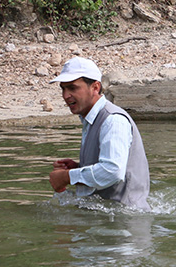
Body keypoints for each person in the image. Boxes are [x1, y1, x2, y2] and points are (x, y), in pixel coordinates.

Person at [48, 57, 151, 210]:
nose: (65, 95)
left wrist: (68, 177)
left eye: (73, 88)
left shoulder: (113, 120)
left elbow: (113, 171)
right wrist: (78, 167)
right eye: (63, 89)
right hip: (113, 219)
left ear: (95, 87)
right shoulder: (92, 118)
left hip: (125, 223)